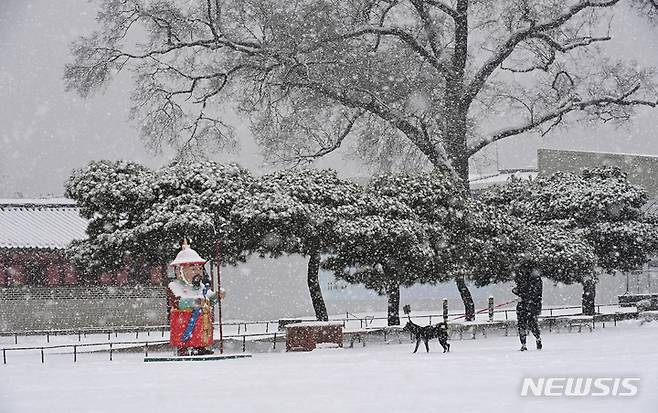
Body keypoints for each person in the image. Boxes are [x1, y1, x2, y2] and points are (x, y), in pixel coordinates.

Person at [167, 239, 225, 356]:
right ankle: (183, 348)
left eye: (199, 269)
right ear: (180, 271)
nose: (198, 272)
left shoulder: (201, 287)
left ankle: (200, 347)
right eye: (193, 269)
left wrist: (216, 296)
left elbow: (209, 299)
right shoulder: (174, 286)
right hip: (184, 319)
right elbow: (178, 302)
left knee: (201, 333)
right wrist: (194, 302)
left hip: (201, 318)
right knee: (184, 333)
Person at [512, 270, 543, 351]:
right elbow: (518, 290)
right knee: (522, 325)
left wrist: (522, 294)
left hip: (530, 307)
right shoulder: (522, 279)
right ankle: (524, 344)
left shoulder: (536, 280)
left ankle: (537, 339)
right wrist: (517, 291)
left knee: (532, 325)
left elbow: (536, 293)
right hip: (523, 307)